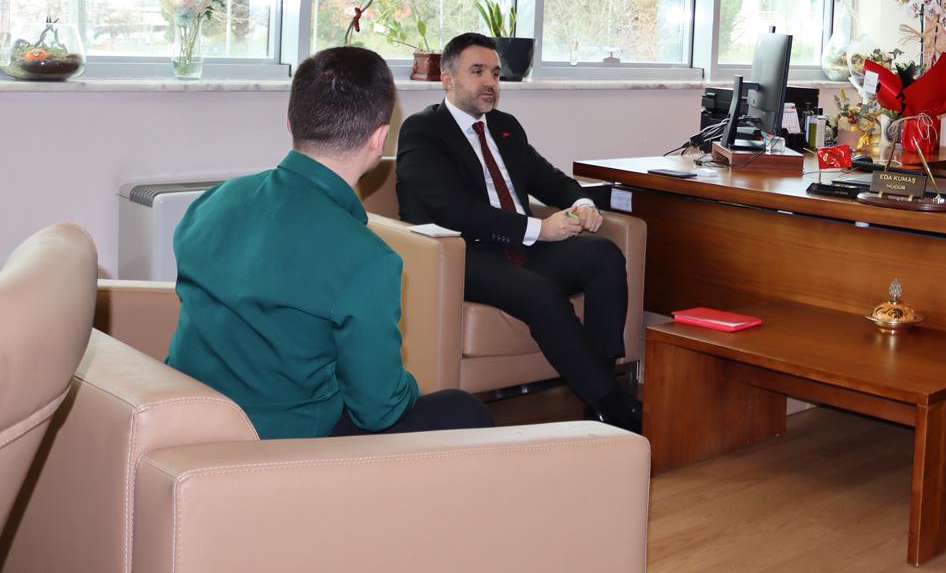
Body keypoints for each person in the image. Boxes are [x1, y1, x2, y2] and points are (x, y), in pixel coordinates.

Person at [167, 46, 492, 439]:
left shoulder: (214, 201)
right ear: (380, 139)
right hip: (281, 443)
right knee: (463, 410)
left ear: (291, 123)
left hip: (188, 421)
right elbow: (379, 410)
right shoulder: (368, 259)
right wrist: (407, 386)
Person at [395, 32, 642, 432]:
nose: (489, 82)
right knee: (539, 291)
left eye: (495, 73)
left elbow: (549, 178)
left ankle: (598, 394)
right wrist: (538, 229)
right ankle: (614, 405)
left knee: (604, 256)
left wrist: (582, 202)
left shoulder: (505, 127)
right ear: (448, 79)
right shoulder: (424, 130)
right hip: (466, 252)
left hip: (521, 245)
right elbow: (452, 209)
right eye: (477, 72)